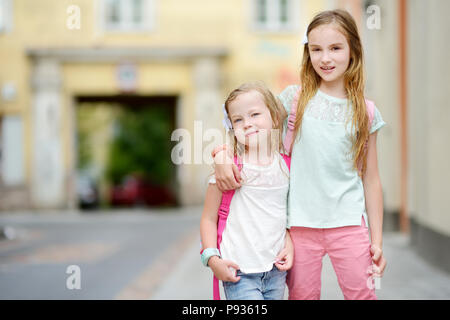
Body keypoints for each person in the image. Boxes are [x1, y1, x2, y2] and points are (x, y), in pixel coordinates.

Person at [210, 9, 387, 300]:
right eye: (316, 49)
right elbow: (246, 125)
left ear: (353, 50)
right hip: (298, 228)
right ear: (308, 53)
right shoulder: (294, 99)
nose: (325, 58)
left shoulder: (366, 112)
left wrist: (377, 240)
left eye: (335, 48)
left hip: (349, 225)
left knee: (362, 296)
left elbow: (371, 178)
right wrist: (221, 153)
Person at [200, 82, 294, 300]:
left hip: (275, 271)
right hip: (238, 271)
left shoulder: (286, 167)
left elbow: (285, 214)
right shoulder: (228, 169)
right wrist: (212, 259)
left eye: (254, 114)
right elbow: (208, 218)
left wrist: (288, 243)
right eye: (238, 119)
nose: (247, 123)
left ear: (275, 117)